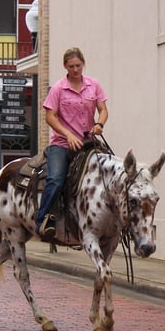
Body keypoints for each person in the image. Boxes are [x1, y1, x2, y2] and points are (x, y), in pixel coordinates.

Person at [35, 47, 108, 239]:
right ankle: (43, 219)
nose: (75, 69)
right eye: (71, 66)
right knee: (56, 178)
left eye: (78, 65)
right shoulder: (58, 88)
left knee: (111, 172)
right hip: (62, 143)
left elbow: (103, 109)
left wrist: (99, 124)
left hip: (88, 142)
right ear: (65, 67)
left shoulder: (94, 85)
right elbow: (50, 117)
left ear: (83, 64)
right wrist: (68, 135)